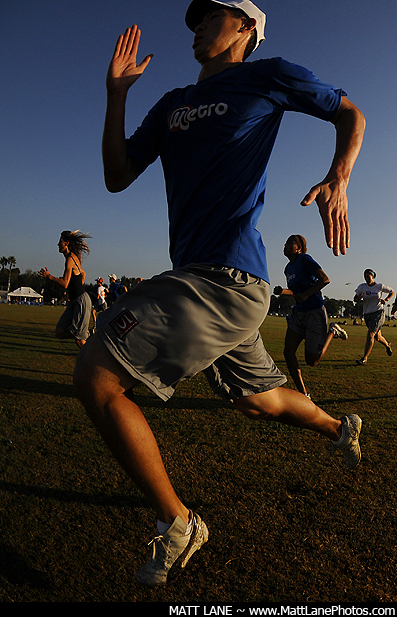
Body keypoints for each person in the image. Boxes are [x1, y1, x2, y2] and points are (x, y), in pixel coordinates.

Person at [73, 0, 366, 587]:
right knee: (256, 400)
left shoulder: (267, 74)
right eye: (195, 18)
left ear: (246, 29)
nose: (197, 25)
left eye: (212, 14)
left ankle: (178, 522)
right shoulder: (172, 102)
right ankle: (340, 428)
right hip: (205, 280)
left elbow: (350, 112)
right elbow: (116, 175)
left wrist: (340, 177)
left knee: (96, 376)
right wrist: (116, 95)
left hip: (226, 280)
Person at [274, 235, 348, 397]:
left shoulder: (305, 259)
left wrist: (307, 294)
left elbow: (324, 279)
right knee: (288, 351)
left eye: (290, 243)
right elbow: (296, 292)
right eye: (285, 242)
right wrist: (283, 292)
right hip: (298, 313)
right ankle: (303, 394)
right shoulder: (288, 268)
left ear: (299, 248)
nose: (285, 245)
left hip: (314, 312)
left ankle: (333, 331)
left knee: (312, 361)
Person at [39, 230, 92, 348]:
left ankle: (92, 357)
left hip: (80, 301)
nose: (58, 244)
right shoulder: (72, 258)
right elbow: (83, 274)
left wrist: (49, 276)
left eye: (60, 242)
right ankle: (84, 334)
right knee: (59, 332)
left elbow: (65, 284)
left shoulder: (70, 259)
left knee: (79, 341)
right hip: (74, 301)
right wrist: (76, 288)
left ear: (66, 243)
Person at [353, 269, 394, 365]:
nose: (366, 278)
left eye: (368, 276)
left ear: (373, 276)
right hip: (367, 314)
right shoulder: (362, 287)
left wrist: (386, 300)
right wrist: (360, 297)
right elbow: (355, 299)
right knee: (378, 337)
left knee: (370, 334)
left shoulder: (379, 286)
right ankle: (387, 345)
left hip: (378, 313)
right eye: (365, 276)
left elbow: (392, 291)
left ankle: (364, 358)